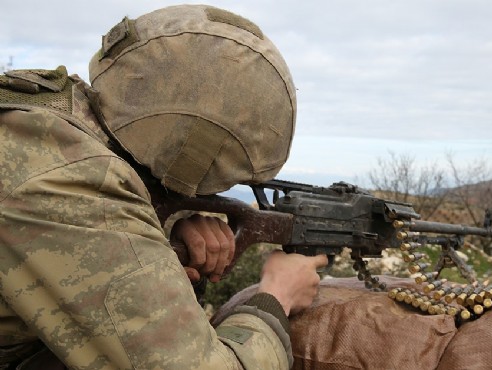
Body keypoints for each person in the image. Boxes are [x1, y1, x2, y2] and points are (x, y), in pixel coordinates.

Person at [0, 4, 327, 369]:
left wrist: (160, 246)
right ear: (194, 152)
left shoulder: (49, 116)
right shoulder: (76, 182)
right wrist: (277, 295)